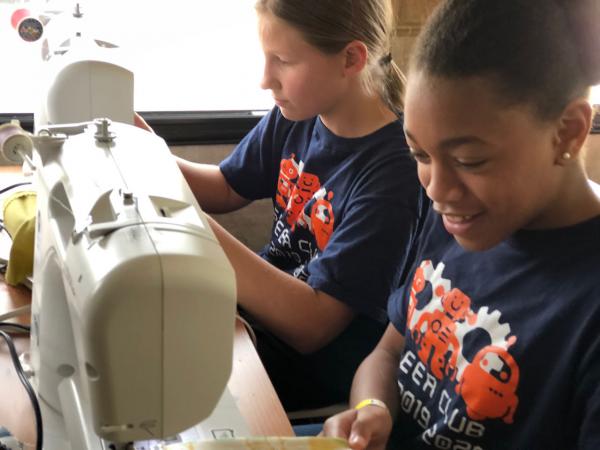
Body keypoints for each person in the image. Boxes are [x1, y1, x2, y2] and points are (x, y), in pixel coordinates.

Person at [321, 0, 600, 448]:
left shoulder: (585, 306)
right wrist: (370, 410)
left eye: (470, 160)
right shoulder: (455, 219)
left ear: (568, 132)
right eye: (421, 155)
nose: (436, 189)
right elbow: (389, 351)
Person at [137, 0, 427, 412]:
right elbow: (225, 186)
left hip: (316, 365)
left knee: (144, 370)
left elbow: (313, 326)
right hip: (260, 317)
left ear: (351, 58)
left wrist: (193, 229)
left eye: (283, 61)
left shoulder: (394, 174)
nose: (264, 80)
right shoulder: (298, 114)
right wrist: (148, 153)